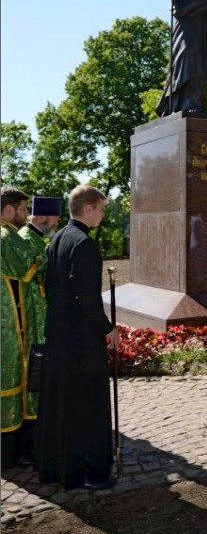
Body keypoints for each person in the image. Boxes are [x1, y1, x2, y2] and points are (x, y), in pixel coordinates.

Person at [35, 185, 121, 490]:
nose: (102, 214)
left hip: (59, 335)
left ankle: (60, 467)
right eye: (101, 209)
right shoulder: (84, 244)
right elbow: (87, 297)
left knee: (64, 403)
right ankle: (92, 470)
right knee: (87, 404)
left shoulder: (57, 238)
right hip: (81, 340)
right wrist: (107, 329)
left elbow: (52, 286)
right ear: (88, 208)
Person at [1, 186, 45, 469]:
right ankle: (15, 453)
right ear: (7, 210)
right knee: (16, 380)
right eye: (22, 209)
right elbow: (35, 264)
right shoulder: (6, 236)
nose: (26, 215)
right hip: (9, 327)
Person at [19, 196, 62, 326]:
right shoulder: (26, 238)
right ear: (42, 217)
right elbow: (27, 273)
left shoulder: (36, 237)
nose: (57, 223)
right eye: (56, 218)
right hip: (31, 309)